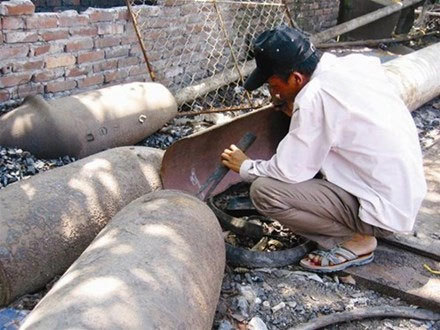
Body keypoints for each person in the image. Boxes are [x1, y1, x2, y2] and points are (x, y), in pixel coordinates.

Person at [221, 25, 427, 273]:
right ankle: (356, 227)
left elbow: (289, 171)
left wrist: (244, 166)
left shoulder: (314, 97)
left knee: (265, 191)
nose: (273, 93)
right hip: (403, 195)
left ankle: (353, 240)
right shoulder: (352, 66)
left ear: (297, 78)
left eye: (274, 86)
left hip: (381, 210)